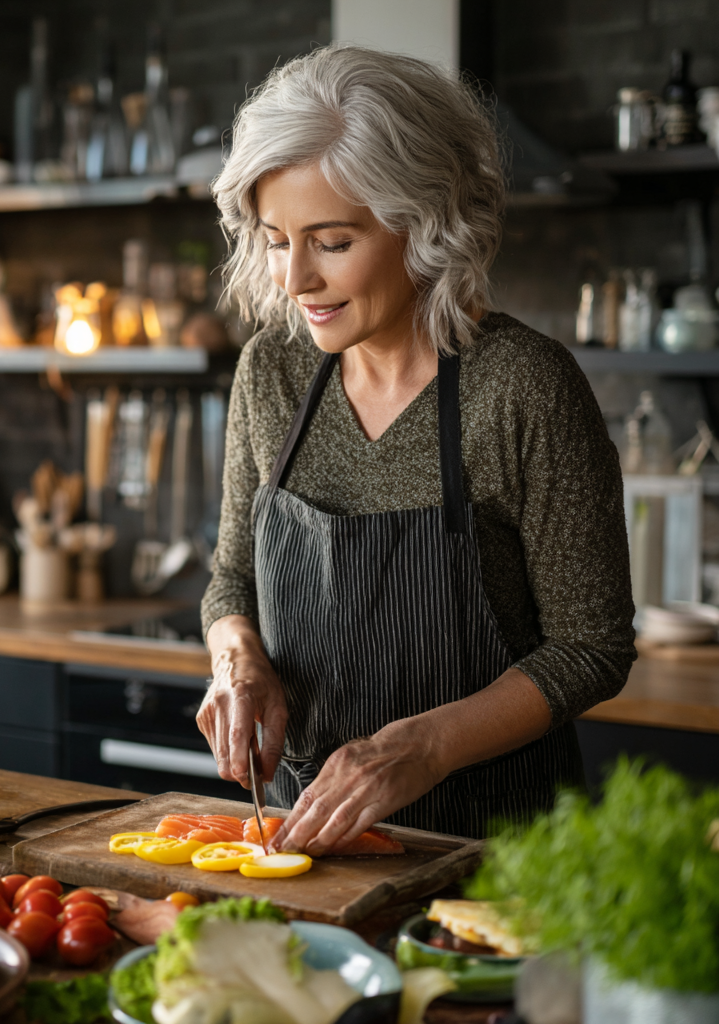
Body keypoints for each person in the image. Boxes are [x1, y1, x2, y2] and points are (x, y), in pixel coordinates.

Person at [197, 44, 635, 851]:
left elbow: (592, 647)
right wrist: (238, 663)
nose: (295, 280)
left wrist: (420, 747)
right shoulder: (273, 372)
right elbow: (230, 580)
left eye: (331, 241)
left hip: (496, 853)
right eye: (275, 238)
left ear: (426, 222)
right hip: (311, 841)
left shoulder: (523, 388)